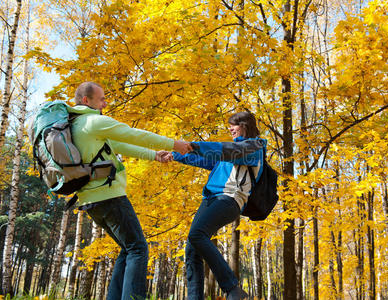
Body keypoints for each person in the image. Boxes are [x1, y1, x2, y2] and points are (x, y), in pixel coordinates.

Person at [67, 81, 191, 300]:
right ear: (86, 100)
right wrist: (174, 144)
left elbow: (119, 145)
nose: (105, 102)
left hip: (90, 200)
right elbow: (132, 134)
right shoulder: (93, 121)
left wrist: (154, 155)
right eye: (102, 98)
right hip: (109, 196)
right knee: (138, 248)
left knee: (128, 249)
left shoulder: (75, 126)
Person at [166, 111, 266, 300]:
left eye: (234, 125)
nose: (230, 129)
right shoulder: (232, 151)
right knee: (192, 248)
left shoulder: (253, 147)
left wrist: (193, 145)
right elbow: (204, 159)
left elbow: (226, 150)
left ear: (245, 125)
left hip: (229, 199)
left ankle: (232, 288)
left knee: (197, 234)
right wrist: (175, 154)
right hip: (211, 199)